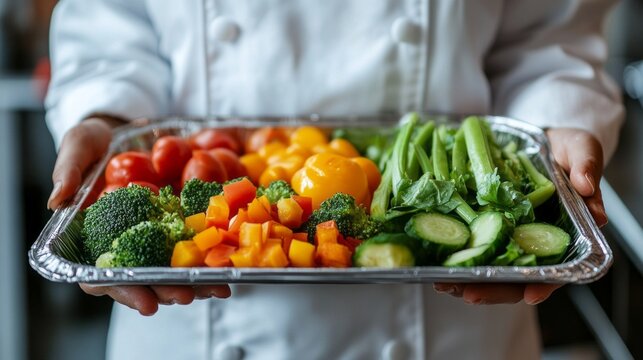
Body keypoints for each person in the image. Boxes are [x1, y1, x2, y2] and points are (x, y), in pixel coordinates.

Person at [45, 1, 623, 359]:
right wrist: (105, 118)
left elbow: (551, 40)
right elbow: (108, 34)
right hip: (195, 334)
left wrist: (556, 122)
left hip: (453, 334)